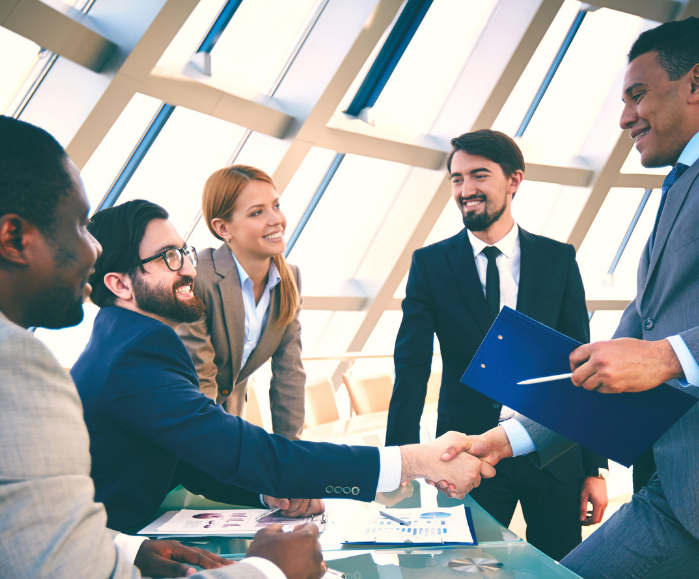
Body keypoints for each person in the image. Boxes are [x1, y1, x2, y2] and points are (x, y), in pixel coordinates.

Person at [0, 115, 330, 579]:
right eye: (76, 224)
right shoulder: (19, 367)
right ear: (14, 237)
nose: (92, 248)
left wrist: (125, 550)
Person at [442, 17, 699, 579]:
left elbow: (654, 356)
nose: (624, 117)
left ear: (698, 83)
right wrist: (506, 440)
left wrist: (669, 356)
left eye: (637, 94)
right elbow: (602, 371)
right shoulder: (678, 191)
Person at [70, 199, 494, 532]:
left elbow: (190, 459)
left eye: (184, 252)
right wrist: (414, 460)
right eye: (168, 258)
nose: (188, 268)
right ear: (120, 283)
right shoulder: (137, 356)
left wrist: (267, 494)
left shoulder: (127, 342)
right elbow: (241, 450)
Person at [386, 129, 608, 560]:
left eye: (479, 176)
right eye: (456, 179)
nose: (465, 190)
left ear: (514, 180)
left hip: (552, 451)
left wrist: (593, 467)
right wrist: (402, 462)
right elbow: (410, 366)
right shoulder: (430, 264)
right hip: (466, 453)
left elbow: (581, 364)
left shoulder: (557, 259)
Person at [179, 166, 304, 437]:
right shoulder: (198, 277)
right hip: (185, 426)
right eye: (257, 212)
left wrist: (292, 455)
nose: (276, 220)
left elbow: (289, 376)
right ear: (223, 228)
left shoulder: (289, 278)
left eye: (276, 205)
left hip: (229, 422)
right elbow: (201, 381)